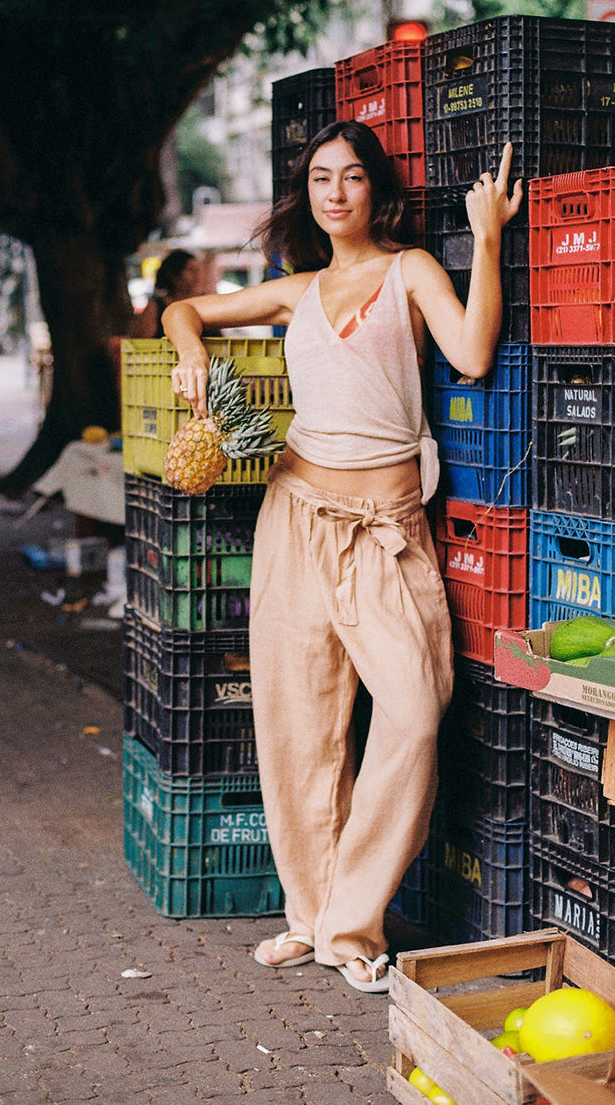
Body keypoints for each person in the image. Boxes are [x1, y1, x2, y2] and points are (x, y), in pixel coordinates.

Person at [162, 121, 523, 992]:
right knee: (298, 728)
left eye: (352, 177)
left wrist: (486, 237)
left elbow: (472, 355)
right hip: (294, 513)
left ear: (377, 190)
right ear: (307, 194)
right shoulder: (296, 290)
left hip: (384, 526)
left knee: (413, 708)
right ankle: (315, 919)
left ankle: (352, 921)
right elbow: (184, 308)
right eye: (321, 178)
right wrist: (191, 356)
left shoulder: (411, 272)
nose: (335, 192)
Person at [135, 249, 205, 338]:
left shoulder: (205, 302)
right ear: (173, 275)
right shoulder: (156, 307)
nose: (197, 275)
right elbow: (143, 340)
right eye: (191, 270)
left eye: (198, 270)